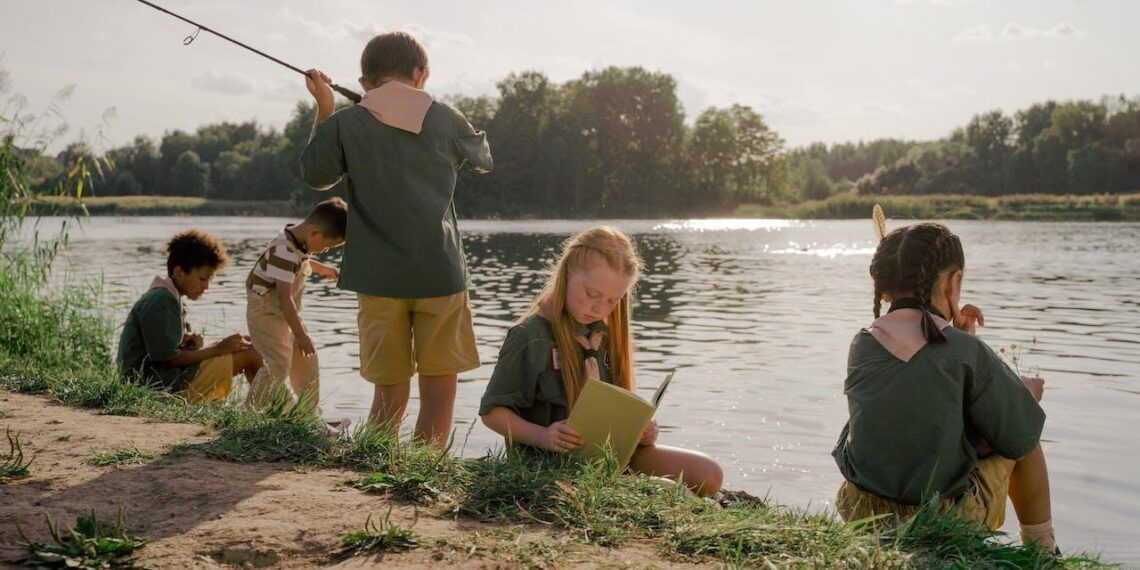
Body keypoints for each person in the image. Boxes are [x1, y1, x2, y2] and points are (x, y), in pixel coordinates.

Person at [300, 31, 493, 446]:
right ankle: (424, 468)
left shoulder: (346, 123)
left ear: (365, 81)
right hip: (439, 274)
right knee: (439, 386)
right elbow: (482, 159)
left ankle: (380, 459)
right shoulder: (446, 117)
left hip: (377, 277)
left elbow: (316, 176)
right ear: (421, 73)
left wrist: (327, 108)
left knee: (389, 386)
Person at [832, 222, 1056, 550]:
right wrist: (1027, 394)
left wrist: (962, 341)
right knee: (1027, 435)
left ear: (883, 289)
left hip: (862, 509)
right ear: (954, 282)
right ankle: (1043, 551)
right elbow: (1017, 433)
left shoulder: (862, 344)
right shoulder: (964, 351)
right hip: (940, 517)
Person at [479, 226, 723, 497]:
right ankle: (632, 491)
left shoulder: (602, 334)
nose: (599, 308)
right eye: (592, 294)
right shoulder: (529, 337)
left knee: (708, 474)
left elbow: (613, 407)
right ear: (567, 274)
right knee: (667, 492)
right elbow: (492, 414)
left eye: (612, 300)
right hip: (549, 465)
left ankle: (632, 486)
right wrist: (543, 436)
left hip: (607, 457)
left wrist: (639, 430)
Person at [117, 229, 262, 403]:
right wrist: (218, 348)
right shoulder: (161, 300)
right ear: (179, 272)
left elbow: (165, 350)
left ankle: (265, 409)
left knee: (247, 342)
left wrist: (191, 344)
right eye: (202, 279)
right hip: (156, 390)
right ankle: (270, 413)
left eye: (210, 279)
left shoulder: (170, 297)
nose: (206, 286)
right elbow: (169, 359)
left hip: (165, 381)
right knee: (252, 351)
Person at [244, 197, 346, 411]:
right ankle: (248, 412)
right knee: (278, 365)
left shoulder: (297, 242)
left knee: (307, 360)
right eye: (328, 245)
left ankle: (307, 416)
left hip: (285, 313)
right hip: (265, 312)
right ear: (315, 233)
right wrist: (300, 334)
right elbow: (284, 297)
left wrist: (323, 269)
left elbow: (303, 261)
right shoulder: (284, 250)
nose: (325, 250)